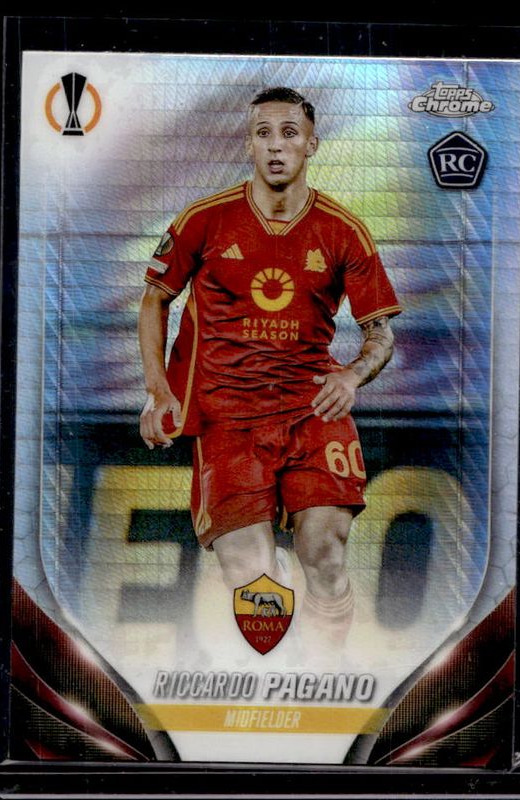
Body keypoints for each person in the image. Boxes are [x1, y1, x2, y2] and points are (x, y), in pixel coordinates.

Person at [138, 87, 401, 653]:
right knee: (251, 574)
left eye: (289, 133)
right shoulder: (204, 220)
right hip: (227, 418)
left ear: (311, 144)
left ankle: (326, 670)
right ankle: (275, 675)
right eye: (263, 134)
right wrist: (158, 391)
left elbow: (381, 334)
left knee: (324, 552)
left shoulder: (343, 231)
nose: (276, 146)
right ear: (249, 145)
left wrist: (352, 375)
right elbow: (155, 298)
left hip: (311, 409)